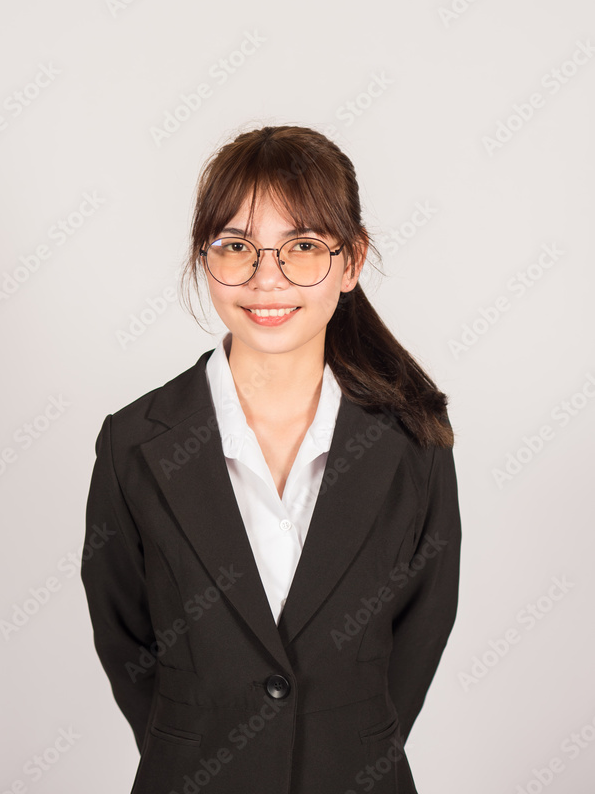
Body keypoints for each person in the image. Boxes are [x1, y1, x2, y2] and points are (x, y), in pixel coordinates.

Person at [80, 124, 461, 794]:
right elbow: (125, 637)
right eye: (237, 247)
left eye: (303, 247)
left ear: (350, 262)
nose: (266, 279)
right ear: (206, 257)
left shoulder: (413, 441)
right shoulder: (133, 443)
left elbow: (422, 630)